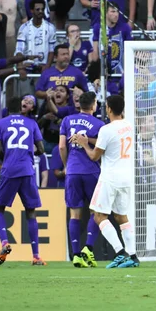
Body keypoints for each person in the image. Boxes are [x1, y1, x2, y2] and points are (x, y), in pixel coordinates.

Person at [72, 95, 140, 269]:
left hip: (110, 177)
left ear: (108, 108)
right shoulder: (129, 126)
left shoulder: (107, 130)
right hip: (126, 177)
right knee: (121, 216)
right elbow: (111, 142)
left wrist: (84, 144)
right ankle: (133, 256)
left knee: (98, 215)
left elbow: (95, 155)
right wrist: (91, 141)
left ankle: (120, 253)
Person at [0, 97, 46, 266]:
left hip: (9, 169)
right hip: (27, 170)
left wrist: (8, 157)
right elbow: (42, 149)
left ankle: (4, 242)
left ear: (8, 108)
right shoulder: (31, 123)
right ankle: (36, 256)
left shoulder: (0, 124)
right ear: (21, 109)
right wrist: (30, 154)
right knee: (30, 212)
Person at [59, 92, 105, 268]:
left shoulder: (67, 120)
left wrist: (66, 166)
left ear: (79, 104)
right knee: (96, 212)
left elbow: (62, 146)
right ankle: (89, 249)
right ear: (93, 105)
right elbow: (102, 146)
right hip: (92, 171)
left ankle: (76, 255)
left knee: (74, 214)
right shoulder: (100, 125)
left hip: (72, 171)